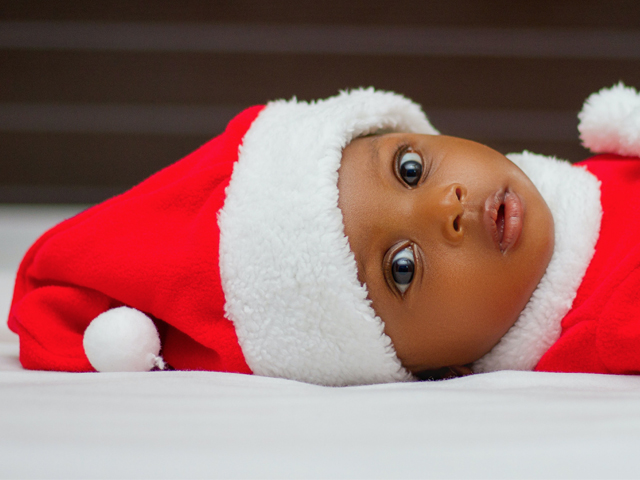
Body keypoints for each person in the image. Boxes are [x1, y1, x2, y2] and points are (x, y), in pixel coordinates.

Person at [7, 83, 640, 385]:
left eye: (410, 169)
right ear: (439, 368)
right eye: (402, 268)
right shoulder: (611, 320)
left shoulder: (595, 176)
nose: (445, 210)